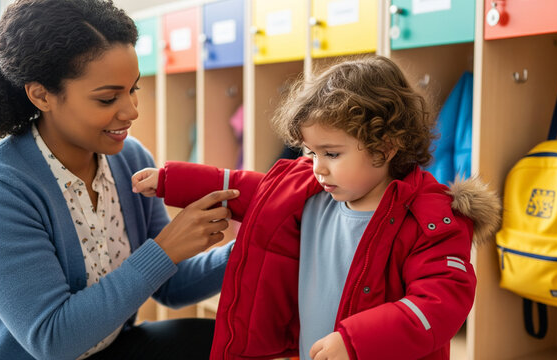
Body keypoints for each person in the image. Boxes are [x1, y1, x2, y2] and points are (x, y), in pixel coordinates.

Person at [132, 56, 501, 360]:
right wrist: (170, 180)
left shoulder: (432, 219)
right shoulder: (307, 189)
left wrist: (357, 341)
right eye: (311, 153)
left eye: (332, 154)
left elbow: (440, 302)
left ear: (386, 147)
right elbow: (242, 187)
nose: (317, 166)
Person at [0, 1, 239, 359]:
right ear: (41, 95)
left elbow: (171, 285)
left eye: (133, 89)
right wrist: (165, 249)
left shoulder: (130, 158)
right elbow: (53, 340)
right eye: (108, 98)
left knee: (225, 339)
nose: (131, 111)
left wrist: (252, 245)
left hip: (106, 349)